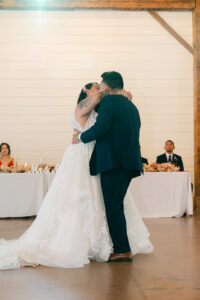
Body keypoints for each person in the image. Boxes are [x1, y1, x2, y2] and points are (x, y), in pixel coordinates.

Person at [0, 81, 153, 270]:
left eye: (101, 86)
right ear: (87, 91)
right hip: (80, 154)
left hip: (95, 155)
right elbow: (98, 98)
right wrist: (118, 92)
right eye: (96, 87)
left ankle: (106, 242)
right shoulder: (82, 106)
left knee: (100, 199)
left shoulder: (98, 109)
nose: (100, 90)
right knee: (79, 197)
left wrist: (118, 95)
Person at [73, 71, 145, 263]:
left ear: (105, 86)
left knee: (113, 207)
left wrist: (81, 137)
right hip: (129, 162)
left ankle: (122, 250)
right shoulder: (131, 105)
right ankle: (123, 248)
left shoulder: (110, 102)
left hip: (114, 162)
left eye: (100, 85)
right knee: (117, 205)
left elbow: (101, 128)